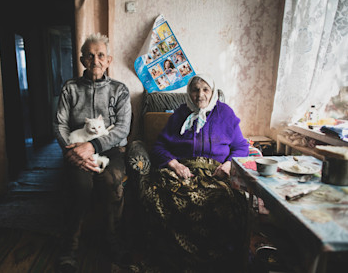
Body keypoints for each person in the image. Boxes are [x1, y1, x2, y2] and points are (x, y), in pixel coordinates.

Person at [138, 74, 249, 272]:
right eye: (195, 90)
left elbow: (241, 147)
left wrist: (228, 165)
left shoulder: (225, 114)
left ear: (213, 92)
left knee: (224, 200)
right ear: (189, 93)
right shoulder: (180, 114)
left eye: (205, 89)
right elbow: (159, 147)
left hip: (216, 173)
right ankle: (173, 259)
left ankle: (215, 260)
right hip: (183, 170)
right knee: (157, 194)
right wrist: (174, 165)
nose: (200, 95)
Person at [53, 33, 132, 273]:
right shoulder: (70, 88)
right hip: (75, 150)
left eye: (100, 55)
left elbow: (122, 128)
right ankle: (70, 248)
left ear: (108, 60)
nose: (95, 60)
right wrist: (72, 151)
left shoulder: (120, 90)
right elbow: (60, 125)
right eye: (89, 55)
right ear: (82, 60)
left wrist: (94, 146)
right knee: (79, 185)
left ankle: (111, 240)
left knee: (111, 182)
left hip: (110, 150)